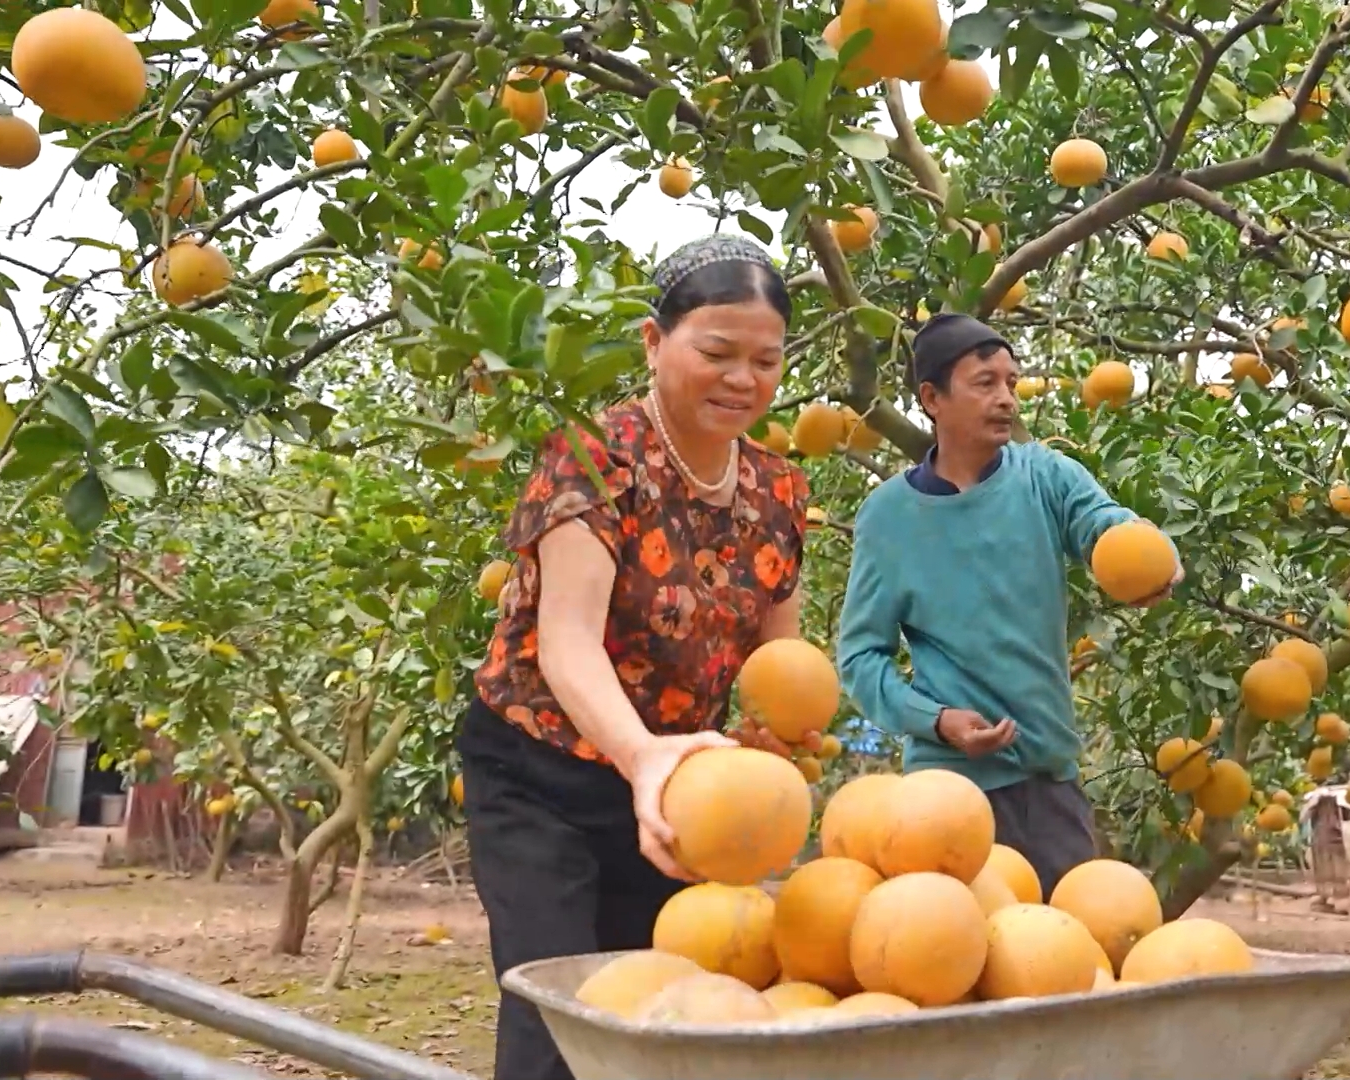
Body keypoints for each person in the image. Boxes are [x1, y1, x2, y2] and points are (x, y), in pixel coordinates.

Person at [457, 235, 815, 1080]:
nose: (743, 379)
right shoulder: (592, 454)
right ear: (655, 343)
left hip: (676, 788)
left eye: (766, 361)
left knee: (658, 1007)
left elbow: (778, 657)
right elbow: (567, 639)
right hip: (542, 768)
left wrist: (774, 757)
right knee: (560, 1013)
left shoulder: (780, 490)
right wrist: (641, 755)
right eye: (717, 352)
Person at [835, 313, 1181, 900]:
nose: (1006, 400)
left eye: (1012, 383)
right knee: (947, 960)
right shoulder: (889, 519)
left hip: (1050, 781)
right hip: (947, 793)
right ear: (931, 398)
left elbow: (1105, 524)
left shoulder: (1046, 477)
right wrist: (937, 721)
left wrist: (1153, 557)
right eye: (984, 382)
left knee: (1070, 958)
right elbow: (861, 656)